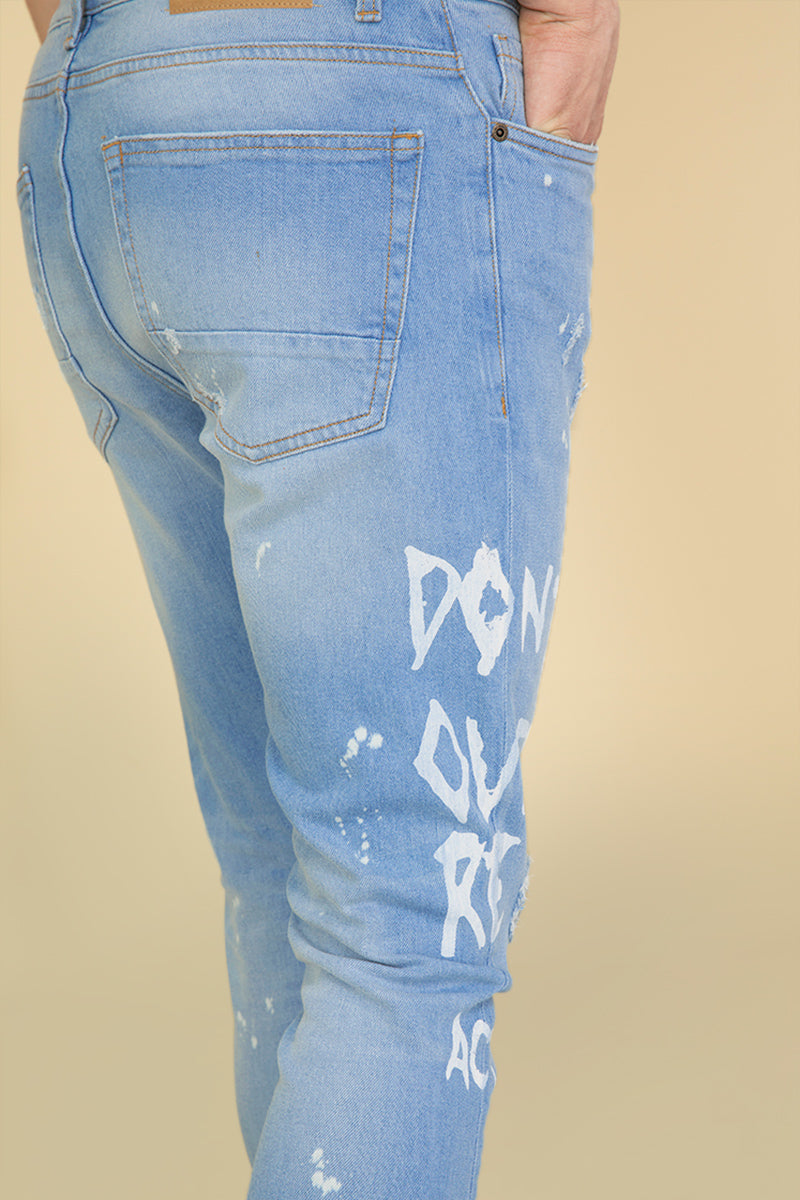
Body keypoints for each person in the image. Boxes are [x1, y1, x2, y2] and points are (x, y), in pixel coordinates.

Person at [18, 0, 619, 1195]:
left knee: (284, 857)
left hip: (102, 97)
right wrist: (571, 35)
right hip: (367, 108)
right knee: (401, 921)